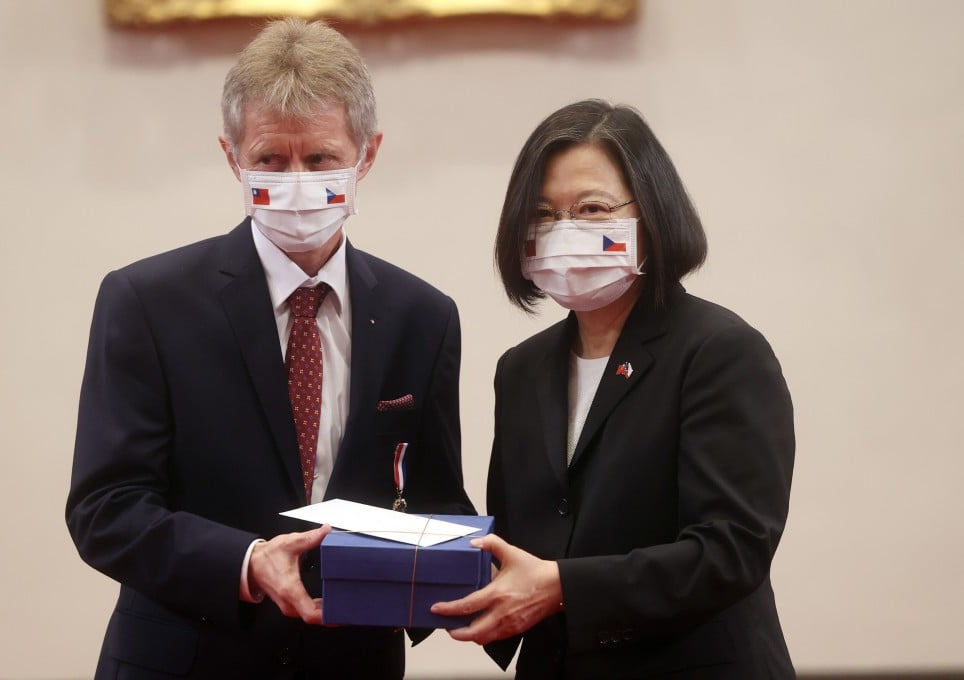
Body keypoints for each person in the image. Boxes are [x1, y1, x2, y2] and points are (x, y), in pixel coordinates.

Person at [66, 18, 474, 680]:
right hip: (187, 659)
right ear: (231, 156)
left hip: (350, 662)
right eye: (269, 161)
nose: (296, 184)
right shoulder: (146, 302)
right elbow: (106, 509)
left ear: (366, 155)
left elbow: (434, 501)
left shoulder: (421, 317)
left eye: (319, 160)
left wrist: (465, 572)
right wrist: (248, 561)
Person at [431, 99, 796, 678]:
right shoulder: (520, 370)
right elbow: (524, 542)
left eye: (592, 208)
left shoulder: (720, 351)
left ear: (652, 212)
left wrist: (562, 588)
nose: (564, 231)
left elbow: (732, 550)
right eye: (544, 214)